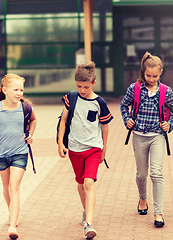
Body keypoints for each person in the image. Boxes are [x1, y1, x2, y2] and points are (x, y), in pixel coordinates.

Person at [120, 52, 173, 227]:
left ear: (160, 73)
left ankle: (158, 213)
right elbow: (124, 105)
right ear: (143, 72)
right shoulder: (135, 89)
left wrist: (169, 124)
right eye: (148, 75)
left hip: (157, 137)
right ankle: (142, 198)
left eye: (155, 76)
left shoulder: (166, 91)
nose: (152, 79)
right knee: (141, 174)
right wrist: (127, 120)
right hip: (139, 135)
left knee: (156, 172)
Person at [57, 62, 113, 238]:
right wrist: (60, 142)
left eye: (86, 87)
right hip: (74, 148)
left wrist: (104, 148)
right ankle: (85, 209)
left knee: (89, 182)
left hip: (93, 148)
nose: (82, 90)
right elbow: (64, 120)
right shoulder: (71, 97)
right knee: (81, 183)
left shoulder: (100, 103)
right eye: (79, 86)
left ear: (94, 83)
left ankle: (89, 224)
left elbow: (105, 126)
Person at [0, 74, 37, 239]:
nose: (19, 92)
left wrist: (30, 135)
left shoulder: (26, 107)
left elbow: (33, 120)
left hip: (20, 152)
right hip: (2, 154)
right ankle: (13, 212)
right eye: (15, 89)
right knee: (6, 188)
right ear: (5, 90)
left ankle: (12, 226)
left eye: (21, 89)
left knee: (14, 187)